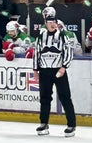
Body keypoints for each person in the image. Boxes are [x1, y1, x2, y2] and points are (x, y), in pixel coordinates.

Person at [33, 7, 78, 136]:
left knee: (65, 97)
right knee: (44, 98)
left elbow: (68, 52)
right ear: (46, 24)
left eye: (54, 22)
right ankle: (44, 123)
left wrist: (64, 67)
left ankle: (71, 125)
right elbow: (36, 53)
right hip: (44, 71)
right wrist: (35, 70)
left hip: (58, 70)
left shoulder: (62, 35)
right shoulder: (41, 37)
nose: (52, 24)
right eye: (49, 22)